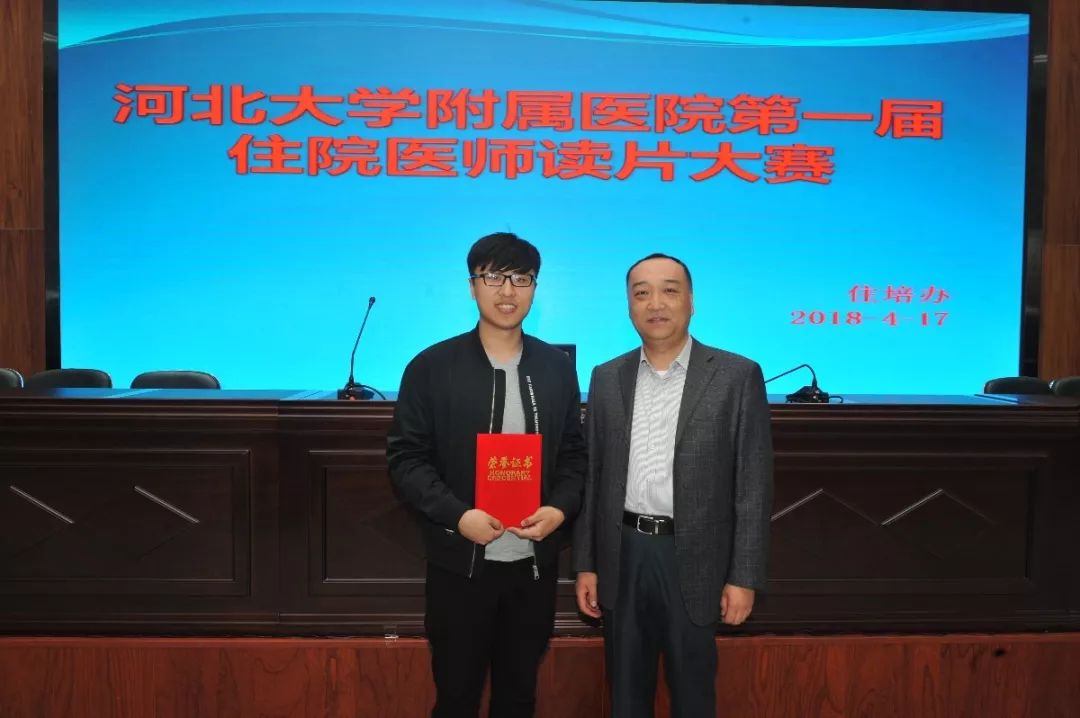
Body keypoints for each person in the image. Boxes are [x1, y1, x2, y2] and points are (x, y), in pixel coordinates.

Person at [387, 231, 586, 718]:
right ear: (472, 285)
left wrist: (559, 509)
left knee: (518, 697)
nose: (507, 291)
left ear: (535, 288)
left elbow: (575, 457)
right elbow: (406, 460)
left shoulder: (557, 368)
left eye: (522, 279)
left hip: (532, 568)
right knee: (456, 698)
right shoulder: (432, 366)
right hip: (460, 567)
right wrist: (459, 516)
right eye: (494, 277)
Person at [573, 253, 773, 717]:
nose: (655, 303)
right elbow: (593, 476)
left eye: (669, 290)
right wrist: (586, 565)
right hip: (623, 553)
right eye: (641, 293)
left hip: (696, 557)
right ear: (629, 305)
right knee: (626, 694)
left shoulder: (736, 375)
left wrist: (743, 577)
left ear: (691, 301)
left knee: (693, 695)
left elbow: (753, 485)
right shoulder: (606, 376)